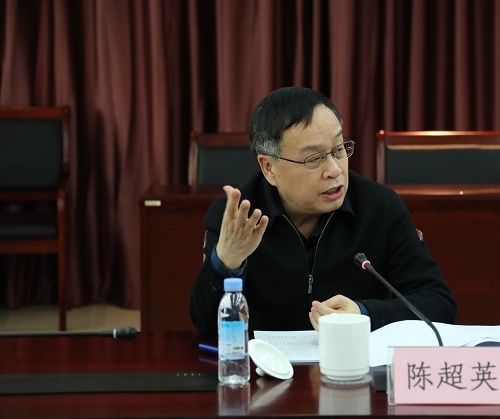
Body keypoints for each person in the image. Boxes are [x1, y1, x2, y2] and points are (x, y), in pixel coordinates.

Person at [189, 86, 457, 336]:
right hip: (264, 368)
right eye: (314, 158)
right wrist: (226, 263)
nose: (334, 170)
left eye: (339, 150)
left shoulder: (380, 208)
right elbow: (205, 325)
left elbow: (439, 305)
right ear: (269, 168)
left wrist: (364, 314)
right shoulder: (237, 217)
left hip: (352, 366)